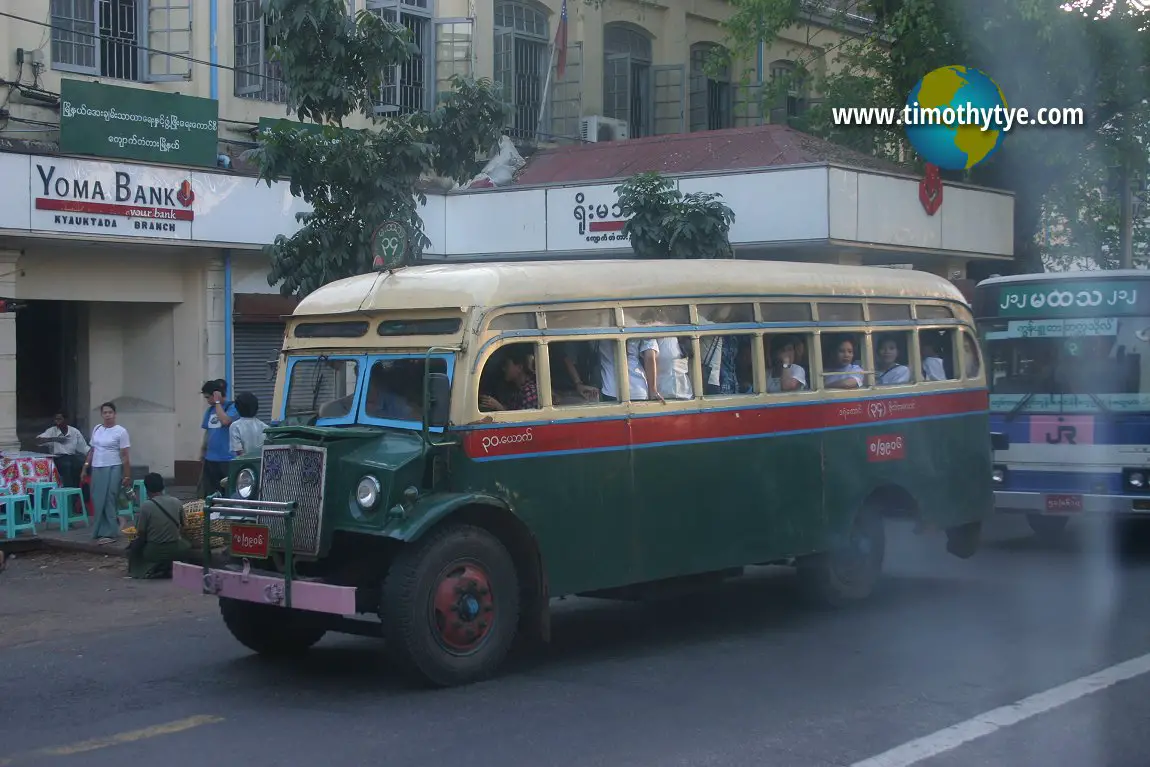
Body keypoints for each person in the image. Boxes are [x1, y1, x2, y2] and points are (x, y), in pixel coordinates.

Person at [82, 402, 131, 545]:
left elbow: (125, 455)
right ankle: (99, 529)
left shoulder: (121, 431)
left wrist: (127, 474)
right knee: (97, 499)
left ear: (115, 414)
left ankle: (111, 532)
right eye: (105, 413)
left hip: (113, 467)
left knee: (109, 498)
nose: (108, 415)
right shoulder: (97, 429)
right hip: (97, 467)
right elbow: (92, 450)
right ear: (102, 415)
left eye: (110, 412)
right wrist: (85, 468)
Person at [127, 473, 192, 579]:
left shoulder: (146, 506)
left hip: (153, 552)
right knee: (186, 544)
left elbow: (141, 532)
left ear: (147, 489)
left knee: (135, 546)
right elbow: (185, 525)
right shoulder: (176, 502)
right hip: (177, 550)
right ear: (163, 486)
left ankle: (140, 570)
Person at [200, 380, 238, 498]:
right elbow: (208, 431)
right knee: (211, 492)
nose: (207, 401)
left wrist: (217, 403)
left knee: (227, 490)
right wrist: (203, 450)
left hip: (227, 458)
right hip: (211, 458)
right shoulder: (210, 411)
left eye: (208, 397)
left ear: (216, 394)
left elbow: (225, 421)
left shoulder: (232, 407)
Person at [35, 412, 89, 488]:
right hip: (58, 458)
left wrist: (91, 456)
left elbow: (84, 448)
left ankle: (77, 491)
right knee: (67, 466)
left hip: (72, 457)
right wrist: (54, 439)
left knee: (80, 465)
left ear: (66, 420)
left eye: (59, 419)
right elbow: (37, 441)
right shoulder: (52, 431)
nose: (57, 421)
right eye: (56, 419)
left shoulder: (74, 431)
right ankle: (68, 491)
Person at [480, 346, 539, 411]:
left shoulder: (530, 392)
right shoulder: (516, 390)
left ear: (519, 367)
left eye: (507, 365)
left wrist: (499, 407)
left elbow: (524, 419)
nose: (504, 369)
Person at [229, 392, 268, 457]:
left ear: (237, 408)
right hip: (262, 462)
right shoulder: (264, 426)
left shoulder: (235, 426)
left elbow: (238, 451)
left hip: (245, 465)